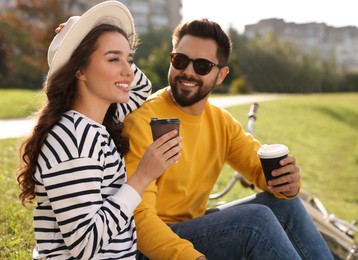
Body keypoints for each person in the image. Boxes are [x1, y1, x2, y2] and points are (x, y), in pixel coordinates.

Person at [123, 18, 333, 259]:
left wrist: (288, 182)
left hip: (192, 231)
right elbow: (136, 217)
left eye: (202, 66)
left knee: (286, 204)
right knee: (254, 222)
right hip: (148, 249)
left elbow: (260, 168)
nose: (188, 71)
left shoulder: (221, 122)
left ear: (221, 75)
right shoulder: (144, 121)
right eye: (180, 60)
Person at [16, 1, 181, 259]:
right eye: (113, 59)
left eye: (129, 59)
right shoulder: (73, 137)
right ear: (79, 70)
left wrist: (86, 30)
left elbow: (140, 88)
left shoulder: (97, 121)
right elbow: (85, 244)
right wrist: (142, 177)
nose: (128, 71)